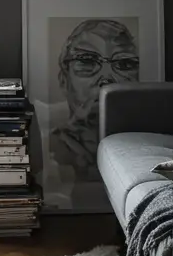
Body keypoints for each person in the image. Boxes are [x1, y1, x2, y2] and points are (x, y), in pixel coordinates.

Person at [36, 20, 140, 199]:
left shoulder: (145, 149)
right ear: (63, 79)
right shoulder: (46, 151)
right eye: (86, 62)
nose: (106, 78)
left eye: (124, 64)